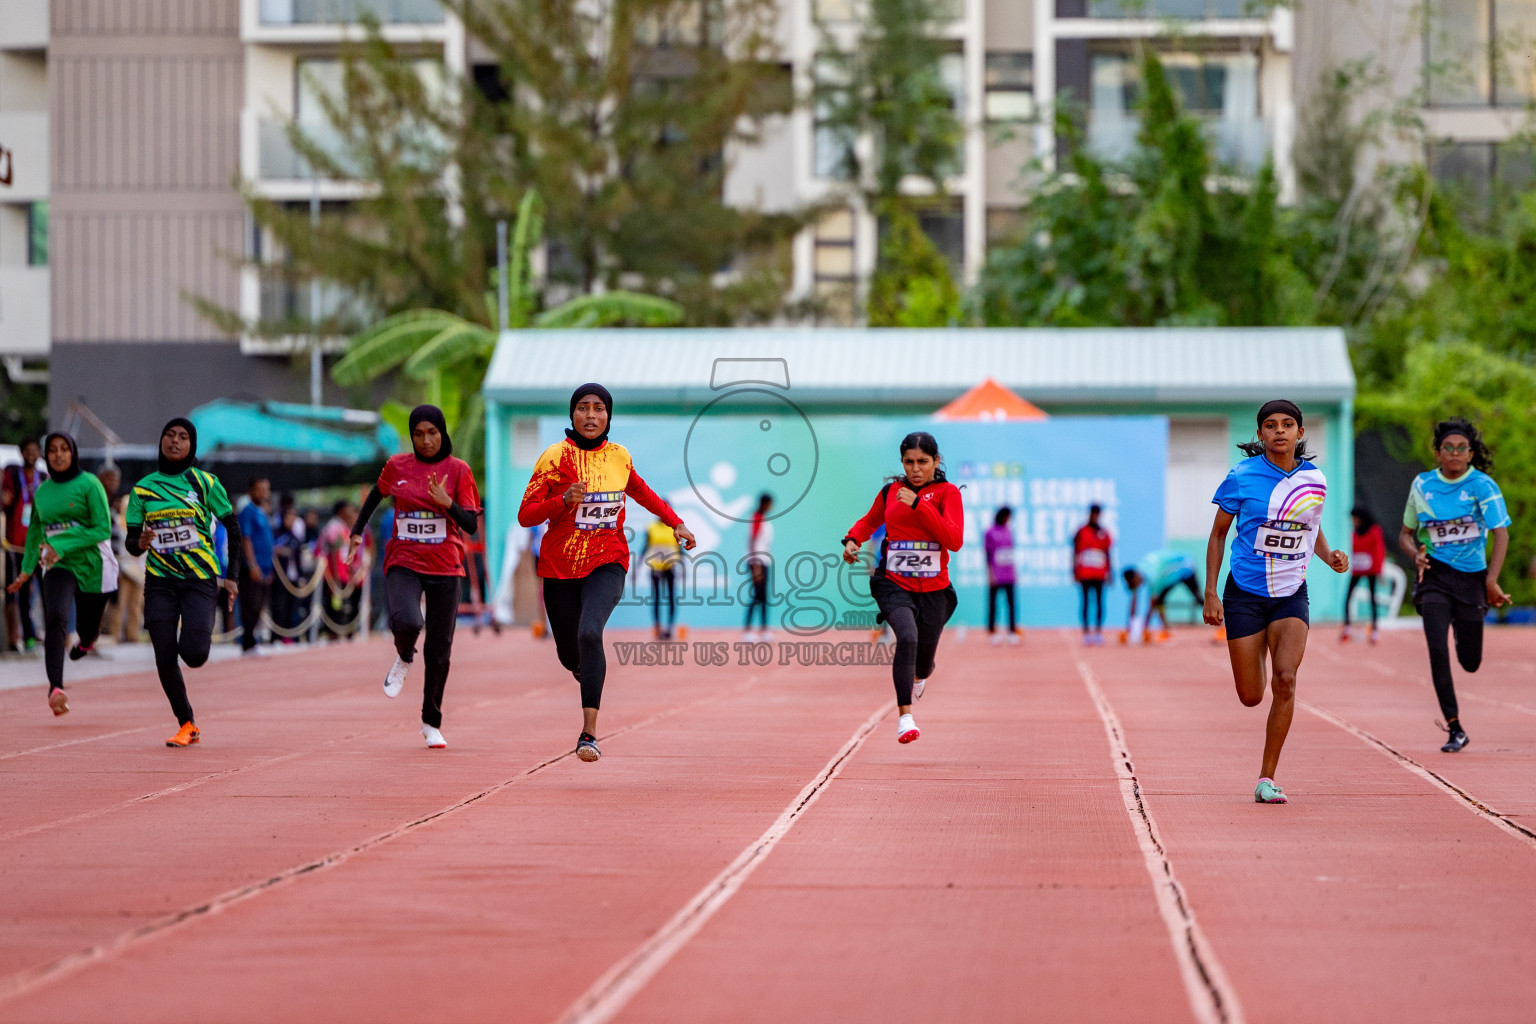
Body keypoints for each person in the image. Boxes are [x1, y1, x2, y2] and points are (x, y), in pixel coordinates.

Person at [518, 384, 696, 762]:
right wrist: (561, 500)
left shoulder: (619, 457)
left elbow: (644, 493)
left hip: (608, 560)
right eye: (583, 408)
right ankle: (585, 671)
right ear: (572, 415)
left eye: (599, 408)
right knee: (570, 654)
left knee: (589, 631)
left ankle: (589, 734)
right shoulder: (554, 457)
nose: (591, 415)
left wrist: (676, 522)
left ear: (608, 416)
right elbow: (525, 515)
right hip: (559, 566)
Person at [1203, 400, 1349, 804]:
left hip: (1290, 595)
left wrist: (1330, 555)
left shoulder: (1315, 480)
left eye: (1288, 425)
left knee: (1285, 680)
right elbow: (1218, 535)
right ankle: (1254, 648)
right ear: (1261, 434)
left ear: (1300, 433)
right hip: (1245, 594)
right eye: (1270, 425)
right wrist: (1211, 591)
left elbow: (1309, 529)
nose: (1280, 431)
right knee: (1251, 695)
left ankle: (1267, 778)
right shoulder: (1241, 477)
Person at [344, 405, 481, 750]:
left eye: (432, 433)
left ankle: (430, 722)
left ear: (442, 432)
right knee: (406, 619)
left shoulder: (458, 470)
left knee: (439, 650)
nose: (426, 440)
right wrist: (357, 531)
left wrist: (447, 502)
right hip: (404, 559)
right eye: (418, 434)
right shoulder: (398, 466)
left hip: (446, 565)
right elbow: (377, 493)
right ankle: (404, 656)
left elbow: (470, 524)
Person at [125, 418, 243, 747]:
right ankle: (186, 722)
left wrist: (231, 576)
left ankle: (190, 647)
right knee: (163, 653)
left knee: (194, 654)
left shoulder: (205, 483)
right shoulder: (142, 489)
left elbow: (232, 528)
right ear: (161, 441)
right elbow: (130, 541)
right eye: (169, 435)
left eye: (183, 437)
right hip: (160, 580)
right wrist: (142, 542)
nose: (175, 442)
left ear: (192, 445)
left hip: (198, 579)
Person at [842, 431, 963, 744]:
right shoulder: (891, 492)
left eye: (923, 462)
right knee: (906, 637)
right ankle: (905, 717)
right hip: (893, 582)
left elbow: (954, 540)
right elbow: (869, 522)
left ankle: (922, 673)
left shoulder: (948, 493)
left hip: (935, 590)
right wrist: (853, 540)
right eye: (909, 462)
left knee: (922, 663)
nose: (915, 469)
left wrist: (919, 506)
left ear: (936, 461)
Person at [1399, 418, 1512, 754]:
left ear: (1470, 454)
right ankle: (1454, 726)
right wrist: (1414, 556)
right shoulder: (1422, 485)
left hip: (1471, 579)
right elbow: (1405, 535)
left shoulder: (1483, 486)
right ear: (1438, 453)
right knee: (1436, 649)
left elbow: (1501, 534)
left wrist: (1491, 580)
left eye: (1461, 448)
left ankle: (1465, 627)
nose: (1454, 453)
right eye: (1448, 447)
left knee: (1470, 661)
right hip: (1433, 576)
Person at [7, 433, 118, 715]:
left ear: (73, 453)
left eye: (64, 449)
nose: (58, 455)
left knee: (87, 628)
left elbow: (102, 529)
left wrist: (61, 542)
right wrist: (26, 570)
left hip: (93, 565)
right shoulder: (42, 492)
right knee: (55, 616)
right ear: (47, 455)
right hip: (58, 565)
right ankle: (55, 687)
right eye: (52, 450)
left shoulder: (90, 484)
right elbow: (35, 531)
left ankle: (88, 641)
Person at [3, 437, 46, 652]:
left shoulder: (45, 478)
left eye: (35, 450)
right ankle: (25, 635)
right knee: (19, 591)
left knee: (46, 591)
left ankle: (51, 634)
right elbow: (4, 502)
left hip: (39, 546)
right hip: (16, 546)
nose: (31, 454)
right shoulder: (11, 475)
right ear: (21, 453)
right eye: (28, 450)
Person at [1121, 550, 1201, 644]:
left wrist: (1145, 629)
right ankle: (1166, 630)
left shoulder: (1153, 577)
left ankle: (1222, 626)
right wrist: (1129, 627)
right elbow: (1134, 600)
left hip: (1186, 566)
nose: (1135, 586)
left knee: (1198, 599)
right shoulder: (1139, 572)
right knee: (1160, 600)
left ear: (1135, 577)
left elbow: (1152, 605)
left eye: (1132, 584)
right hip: (1169, 575)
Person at [237, 477, 275, 655]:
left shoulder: (263, 512)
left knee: (260, 604)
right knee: (251, 603)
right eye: (259, 489)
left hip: (266, 566)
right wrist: (252, 564)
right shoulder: (247, 512)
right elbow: (246, 539)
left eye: (266, 489)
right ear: (251, 491)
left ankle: (253, 639)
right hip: (253, 566)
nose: (263, 493)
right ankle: (248, 642)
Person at [318, 501, 364, 639]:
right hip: (333, 574)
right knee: (334, 603)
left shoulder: (344, 527)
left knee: (342, 603)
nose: (350, 513)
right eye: (348, 510)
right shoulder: (333, 527)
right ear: (341, 512)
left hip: (344, 573)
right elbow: (333, 553)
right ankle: (332, 633)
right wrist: (336, 576)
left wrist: (350, 570)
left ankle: (341, 631)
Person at [1342, 505, 1386, 644]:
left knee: (1373, 599)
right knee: (1348, 597)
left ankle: (1374, 631)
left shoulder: (1374, 530)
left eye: (1355, 518)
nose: (1353, 521)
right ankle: (1347, 628)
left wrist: (1379, 571)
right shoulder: (1355, 531)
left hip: (1371, 569)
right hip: (1357, 569)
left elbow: (1379, 550)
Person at [1073, 504, 1112, 646]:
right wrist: (1074, 571)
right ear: (1089, 514)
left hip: (1100, 574)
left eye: (1097, 514)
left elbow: (1108, 553)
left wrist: (1110, 572)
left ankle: (1098, 632)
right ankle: (1086, 632)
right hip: (1085, 573)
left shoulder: (1104, 532)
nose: (1095, 516)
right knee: (1085, 603)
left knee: (1099, 602)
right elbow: (1075, 552)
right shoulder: (1081, 531)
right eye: (1093, 513)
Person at [643, 515, 682, 641]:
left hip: (670, 567)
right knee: (656, 598)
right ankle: (658, 628)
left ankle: (670, 628)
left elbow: (680, 549)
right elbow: (645, 547)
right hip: (656, 567)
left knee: (671, 597)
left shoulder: (674, 528)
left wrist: (683, 567)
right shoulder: (651, 528)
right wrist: (637, 568)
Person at [984, 507, 1019, 646]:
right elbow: (988, 555)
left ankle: (1012, 632)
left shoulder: (1009, 531)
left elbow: (1010, 554)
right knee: (993, 604)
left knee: (1011, 604)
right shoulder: (990, 532)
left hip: (1009, 574)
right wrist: (990, 574)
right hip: (996, 574)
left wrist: (1015, 573)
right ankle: (993, 632)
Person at [743, 493, 773, 642]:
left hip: (765, 561)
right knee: (756, 596)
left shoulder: (765, 520)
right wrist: (755, 566)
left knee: (764, 597)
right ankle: (747, 630)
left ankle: (764, 630)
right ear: (765, 503)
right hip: (757, 562)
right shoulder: (756, 518)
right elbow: (752, 541)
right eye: (770, 503)